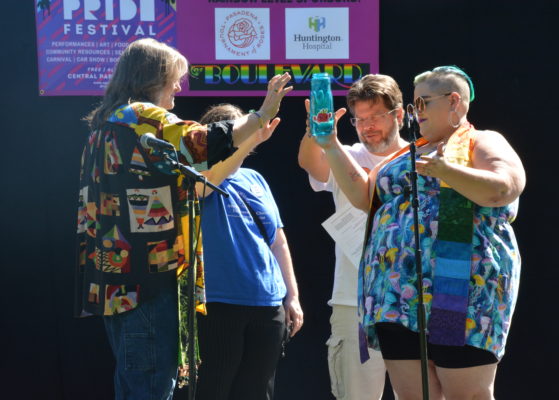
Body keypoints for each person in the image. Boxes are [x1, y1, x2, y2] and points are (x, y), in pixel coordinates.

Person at [75, 38, 292, 400]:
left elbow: (194, 176)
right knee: (149, 387)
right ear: (152, 76)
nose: (179, 86)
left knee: (140, 384)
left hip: (119, 282)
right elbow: (204, 142)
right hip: (147, 279)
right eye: (175, 77)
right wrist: (262, 114)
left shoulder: (107, 127)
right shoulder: (140, 116)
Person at [308, 66, 525, 400]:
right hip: (396, 298)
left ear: (454, 102)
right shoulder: (410, 153)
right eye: (413, 106)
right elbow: (366, 197)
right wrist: (331, 144)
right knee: (412, 396)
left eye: (423, 104)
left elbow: (505, 188)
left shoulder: (482, 142)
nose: (415, 113)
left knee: (464, 395)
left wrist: (449, 172)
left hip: (457, 294)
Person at [298, 74, 405, 400]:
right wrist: (315, 131)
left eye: (376, 117)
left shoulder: (421, 158)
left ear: (398, 115)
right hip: (353, 302)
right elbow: (310, 164)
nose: (368, 126)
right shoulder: (344, 154)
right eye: (360, 120)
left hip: (412, 301)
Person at [194, 104, 303, 400]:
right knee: (211, 389)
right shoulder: (198, 176)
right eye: (237, 134)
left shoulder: (255, 179)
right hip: (216, 302)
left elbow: (278, 241)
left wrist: (291, 296)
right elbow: (209, 180)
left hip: (267, 305)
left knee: (257, 391)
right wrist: (248, 139)